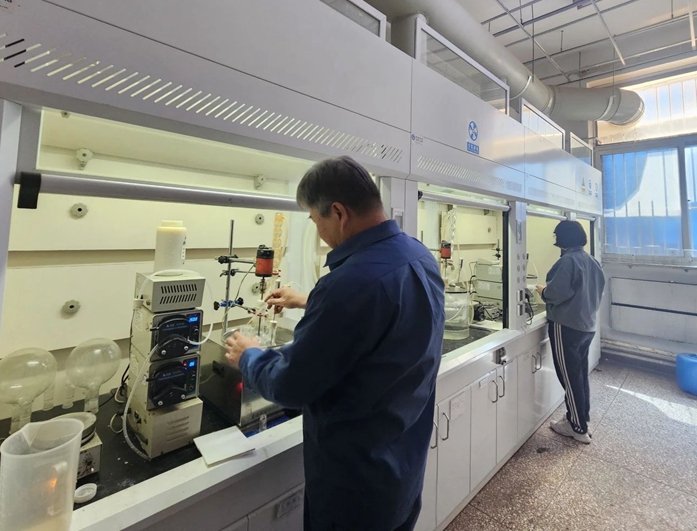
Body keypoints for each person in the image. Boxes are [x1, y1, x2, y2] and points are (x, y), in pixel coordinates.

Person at [225, 156, 445, 531]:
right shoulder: (418, 255)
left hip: (353, 485)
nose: (320, 232)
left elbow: (291, 385)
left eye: (316, 221)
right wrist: (309, 300)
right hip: (403, 469)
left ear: (339, 213)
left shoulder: (346, 285)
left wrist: (248, 356)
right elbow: (381, 314)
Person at [536, 220, 605, 445]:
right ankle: (580, 418)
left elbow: (555, 293)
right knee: (579, 376)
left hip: (566, 327)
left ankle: (577, 427)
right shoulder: (591, 260)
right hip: (587, 326)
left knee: (569, 378)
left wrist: (543, 291)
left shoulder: (567, 261)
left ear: (562, 238)